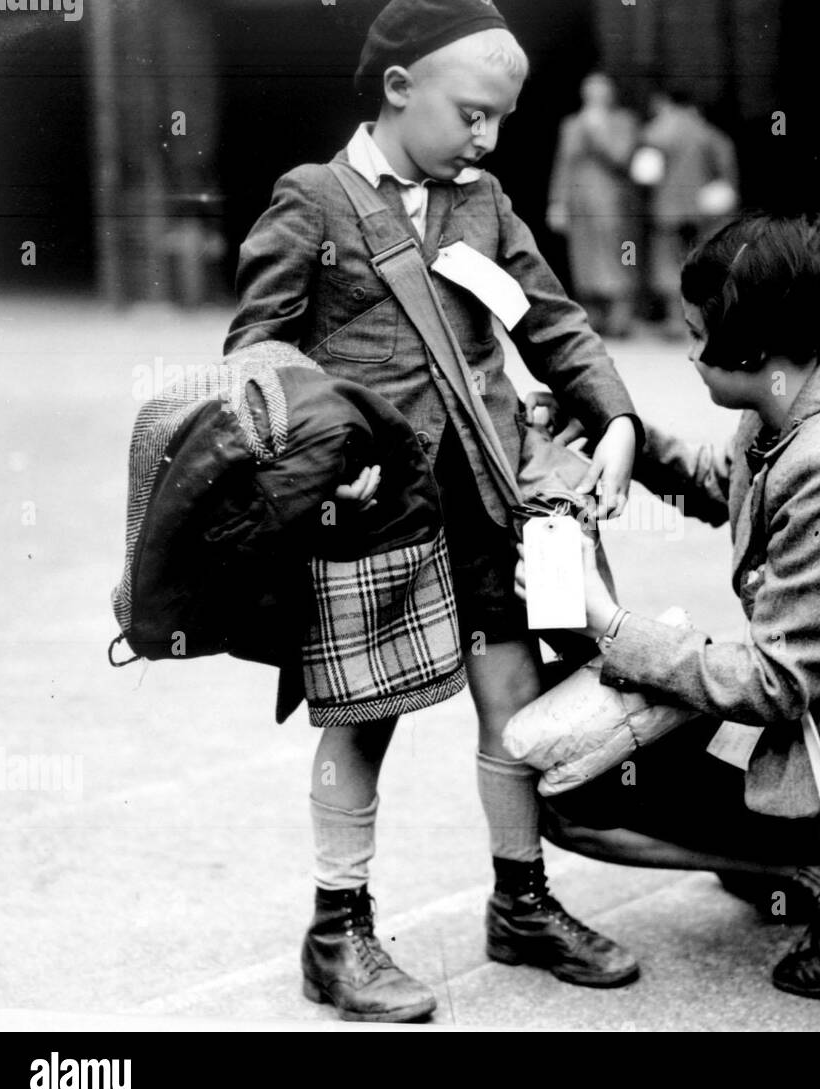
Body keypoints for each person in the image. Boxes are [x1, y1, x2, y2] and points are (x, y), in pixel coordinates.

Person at [225, 0, 645, 1022]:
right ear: (398, 88)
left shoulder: (485, 200)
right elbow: (254, 352)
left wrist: (619, 418)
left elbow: (551, 323)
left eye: (501, 118)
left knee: (515, 703)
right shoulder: (312, 201)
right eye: (470, 114)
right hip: (376, 516)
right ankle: (337, 933)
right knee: (363, 720)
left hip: (492, 501)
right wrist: (317, 454)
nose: (487, 138)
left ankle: (521, 902)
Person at [516, 212, 820, 1000]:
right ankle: (786, 849)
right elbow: (732, 489)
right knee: (629, 737)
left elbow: (780, 683)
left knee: (573, 796)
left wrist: (605, 623)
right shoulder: (801, 394)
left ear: (750, 351)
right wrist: (630, 438)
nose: (686, 353)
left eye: (695, 336)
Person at [639, 89, 739, 339]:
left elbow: (644, 173)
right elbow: (726, 173)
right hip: (702, 212)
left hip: (668, 210)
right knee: (702, 264)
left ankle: (676, 320)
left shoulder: (658, 132)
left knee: (667, 263)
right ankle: (703, 321)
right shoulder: (711, 135)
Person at [548, 72, 639, 338]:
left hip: (611, 199)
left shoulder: (623, 121)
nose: (595, 98)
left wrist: (598, 132)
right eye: (590, 92)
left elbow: (622, 157)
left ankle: (621, 317)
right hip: (579, 201)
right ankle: (594, 316)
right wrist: (557, 202)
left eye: (600, 92)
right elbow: (563, 165)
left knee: (618, 254)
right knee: (583, 256)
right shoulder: (572, 124)